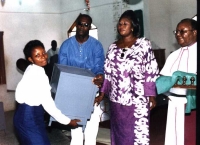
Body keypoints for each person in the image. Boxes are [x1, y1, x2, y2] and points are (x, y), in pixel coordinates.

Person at [96, 10, 159, 145]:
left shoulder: (143, 45)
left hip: (138, 99)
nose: (121, 26)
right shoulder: (113, 47)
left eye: (125, 23)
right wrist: (102, 93)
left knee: (137, 133)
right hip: (117, 100)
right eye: (120, 24)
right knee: (120, 132)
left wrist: (151, 95)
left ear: (133, 26)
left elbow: (150, 70)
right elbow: (107, 72)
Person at [13, 40, 80, 145]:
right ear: (30, 59)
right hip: (28, 118)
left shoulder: (31, 68)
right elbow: (49, 106)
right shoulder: (38, 75)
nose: (43, 57)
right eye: (37, 55)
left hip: (25, 115)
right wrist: (68, 121)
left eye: (43, 53)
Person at [58, 14, 105, 145]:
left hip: (91, 91)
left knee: (91, 130)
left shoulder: (96, 46)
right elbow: (63, 69)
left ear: (89, 27)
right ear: (76, 25)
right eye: (80, 24)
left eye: (86, 25)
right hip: (73, 94)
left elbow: (99, 67)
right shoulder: (66, 45)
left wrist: (100, 76)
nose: (82, 27)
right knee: (76, 132)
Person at [160, 18, 197, 145]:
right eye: (176, 32)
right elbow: (163, 80)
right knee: (175, 138)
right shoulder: (173, 56)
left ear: (195, 32)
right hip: (174, 104)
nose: (178, 35)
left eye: (183, 31)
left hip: (192, 106)